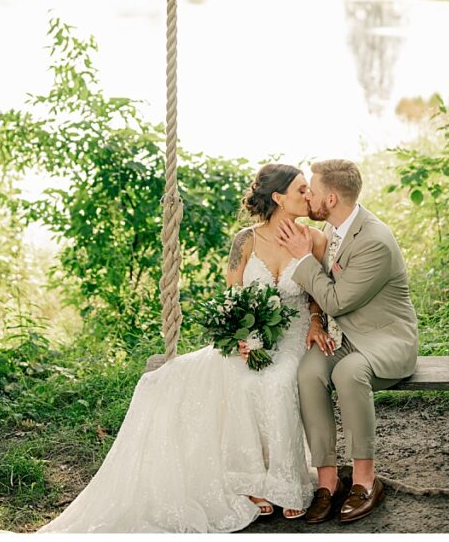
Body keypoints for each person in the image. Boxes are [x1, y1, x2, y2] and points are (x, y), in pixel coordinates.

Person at [37, 163, 332, 533]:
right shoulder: (245, 240)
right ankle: (250, 480)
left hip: (292, 334)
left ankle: (287, 484)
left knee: (276, 382)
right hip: (251, 333)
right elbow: (233, 294)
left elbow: (319, 294)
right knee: (224, 379)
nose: (309, 196)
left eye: (308, 189)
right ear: (278, 197)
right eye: (301, 190)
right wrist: (241, 334)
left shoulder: (314, 238)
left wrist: (317, 321)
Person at [277, 158, 419, 524]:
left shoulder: (374, 241)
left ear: (331, 199)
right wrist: (315, 322)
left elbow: (338, 300)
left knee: (349, 372)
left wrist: (303, 259)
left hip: (383, 338)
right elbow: (327, 301)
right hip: (343, 335)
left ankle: (364, 481)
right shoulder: (333, 227)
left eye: (313, 190)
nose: (308, 195)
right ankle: (327, 482)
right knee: (308, 372)